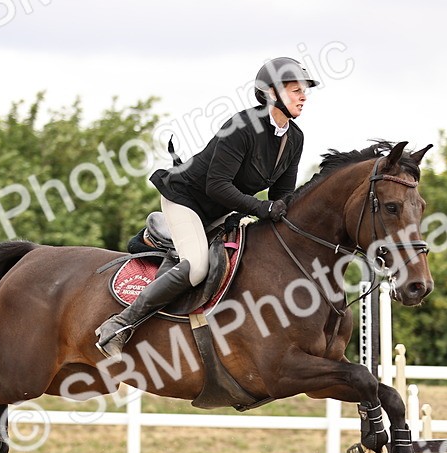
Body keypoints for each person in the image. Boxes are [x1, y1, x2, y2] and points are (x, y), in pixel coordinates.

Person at [95, 56, 319, 358]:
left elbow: (282, 195)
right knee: (197, 267)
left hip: (223, 209)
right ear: (270, 93)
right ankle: (118, 325)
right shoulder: (242, 126)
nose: (303, 96)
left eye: (304, 90)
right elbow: (217, 185)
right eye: (295, 90)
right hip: (187, 200)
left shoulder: (294, 138)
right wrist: (260, 209)